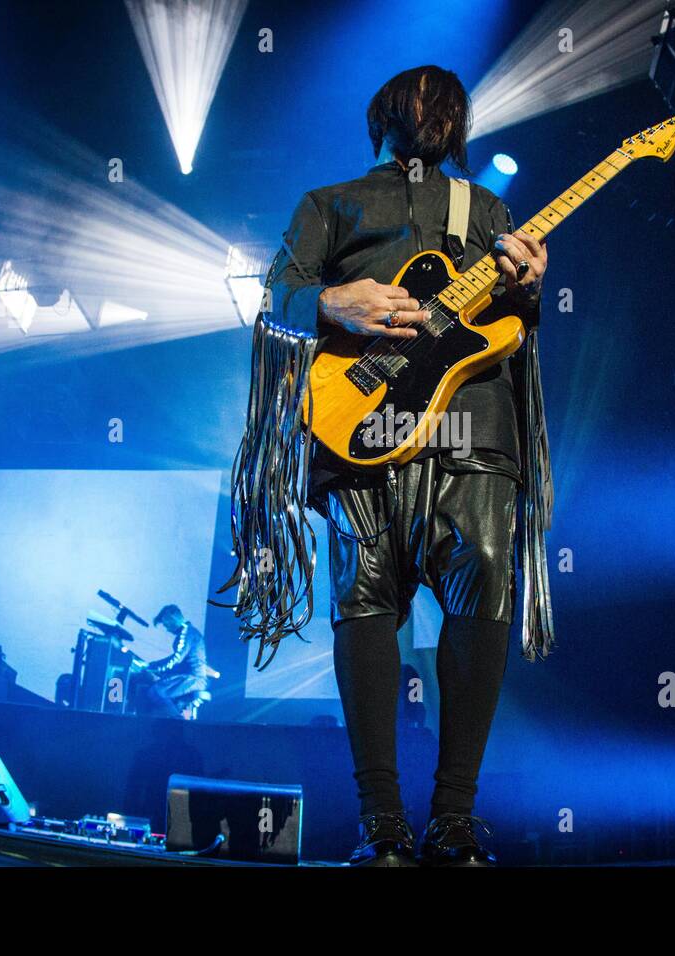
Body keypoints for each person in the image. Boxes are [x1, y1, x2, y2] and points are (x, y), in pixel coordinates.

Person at [222, 65, 555, 866]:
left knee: (484, 579)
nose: (428, 108)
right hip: (361, 428)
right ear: (381, 119)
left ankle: (452, 822)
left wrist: (532, 289)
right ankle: (383, 831)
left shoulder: (489, 210)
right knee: (365, 604)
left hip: (472, 428)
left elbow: (510, 326)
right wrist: (329, 303)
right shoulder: (329, 203)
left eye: (443, 103)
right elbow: (274, 296)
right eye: (414, 101)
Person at [137, 605, 208, 719]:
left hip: (193, 679)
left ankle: (177, 722)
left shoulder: (187, 632)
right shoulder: (188, 632)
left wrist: (154, 669)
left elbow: (176, 659)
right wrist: (152, 664)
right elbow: (176, 659)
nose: (167, 628)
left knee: (156, 692)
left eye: (166, 624)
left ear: (174, 617)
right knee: (160, 689)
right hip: (190, 677)